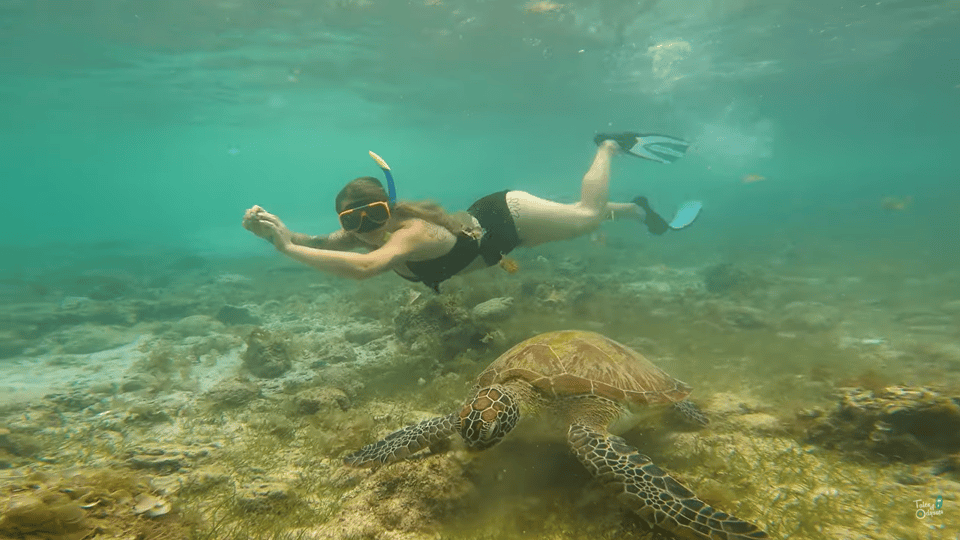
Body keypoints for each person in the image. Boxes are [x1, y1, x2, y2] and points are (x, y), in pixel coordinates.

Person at [242, 132, 701, 293]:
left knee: (582, 217)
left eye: (374, 215)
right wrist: (283, 232)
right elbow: (317, 243)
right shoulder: (365, 233)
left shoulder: (410, 233)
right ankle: (639, 212)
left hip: (508, 217)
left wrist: (284, 249)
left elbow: (365, 269)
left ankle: (608, 145)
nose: (364, 230)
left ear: (389, 209)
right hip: (499, 237)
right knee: (576, 223)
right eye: (351, 222)